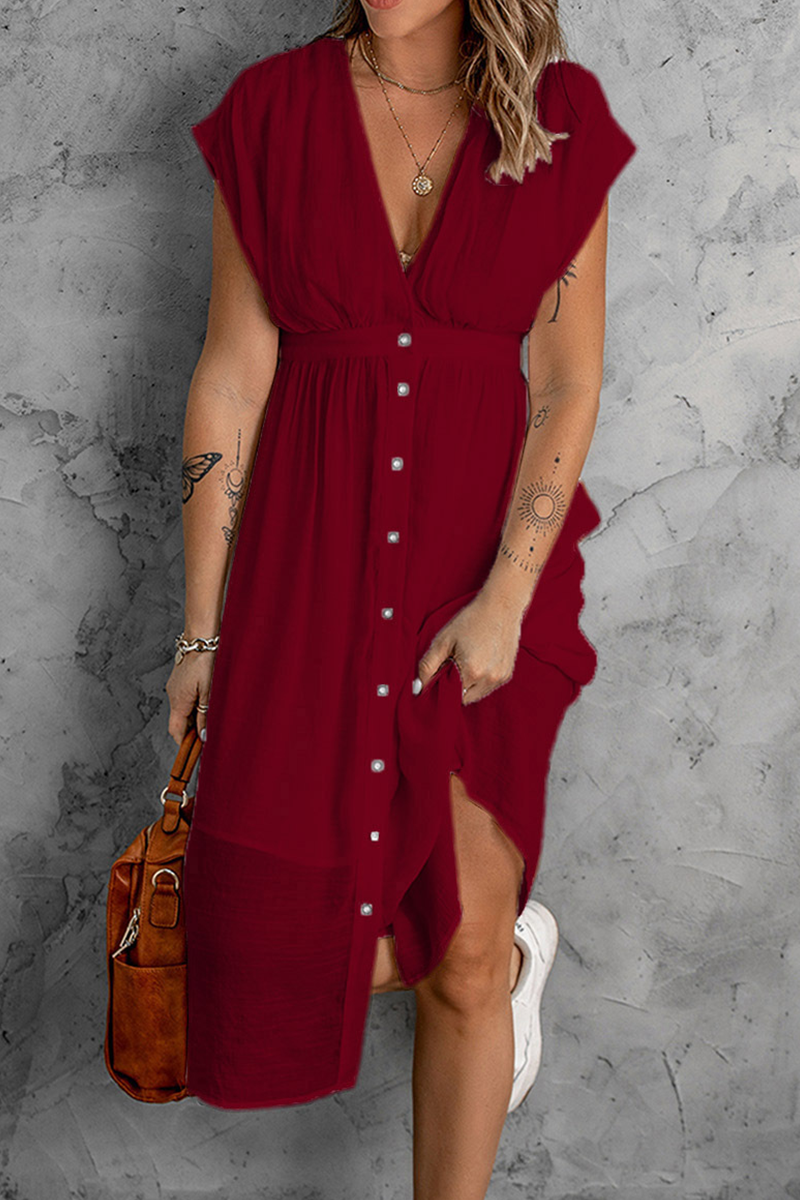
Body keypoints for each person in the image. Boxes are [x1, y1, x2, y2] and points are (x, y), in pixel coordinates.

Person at [166, 1, 636, 1196]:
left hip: (485, 571)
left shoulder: (554, 120)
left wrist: (505, 598)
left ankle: (496, 969)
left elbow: (567, 380)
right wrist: (201, 632)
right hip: (306, 579)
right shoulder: (273, 112)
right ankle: (508, 954)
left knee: (465, 949)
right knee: (275, 949)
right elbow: (232, 376)